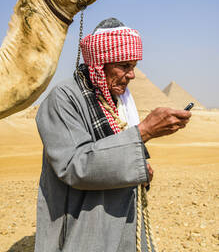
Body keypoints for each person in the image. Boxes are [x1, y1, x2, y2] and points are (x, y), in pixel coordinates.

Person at [34, 18, 191, 252]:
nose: (132, 75)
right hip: (85, 226)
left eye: (134, 66)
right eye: (124, 66)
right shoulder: (64, 99)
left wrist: (140, 170)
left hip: (122, 222)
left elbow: (115, 155)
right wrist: (144, 132)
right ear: (100, 63)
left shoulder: (120, 102)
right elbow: (75, 166)